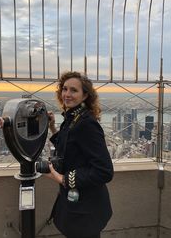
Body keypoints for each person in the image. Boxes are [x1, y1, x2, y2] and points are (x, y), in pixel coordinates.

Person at [46, 71, 114, 238]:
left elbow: (104, 171)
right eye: (64, 89)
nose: (67, 94)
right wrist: (53, 128)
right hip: (78, 206)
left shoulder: (86, 124)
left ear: (85, 96)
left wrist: (61, 178)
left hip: (86, 208)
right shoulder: (73, 118)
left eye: (74, 90)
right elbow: (71, 146)